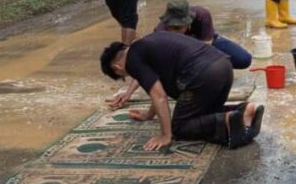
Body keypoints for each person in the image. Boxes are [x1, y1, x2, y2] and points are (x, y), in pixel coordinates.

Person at [100, 32, 264, 150]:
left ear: (117, 67)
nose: (127, 74)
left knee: (179, 127)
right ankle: (243, 110)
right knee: (205, 113)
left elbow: (160, 96)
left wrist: (166, 135)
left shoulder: (132, 61)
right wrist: (150, 115)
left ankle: (226, 119)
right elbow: (157, 88)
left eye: (121, 75)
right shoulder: (146, 43)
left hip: (203, 75)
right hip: (224, 66)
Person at [154, 0, 252, 69]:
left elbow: (206, 48)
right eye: (171, 27)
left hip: (202, 44)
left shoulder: (202, 15)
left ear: (188, 22)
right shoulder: (159, 33)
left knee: (244, 59)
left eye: (178, 27)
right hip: (178, 53)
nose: (175, 32)